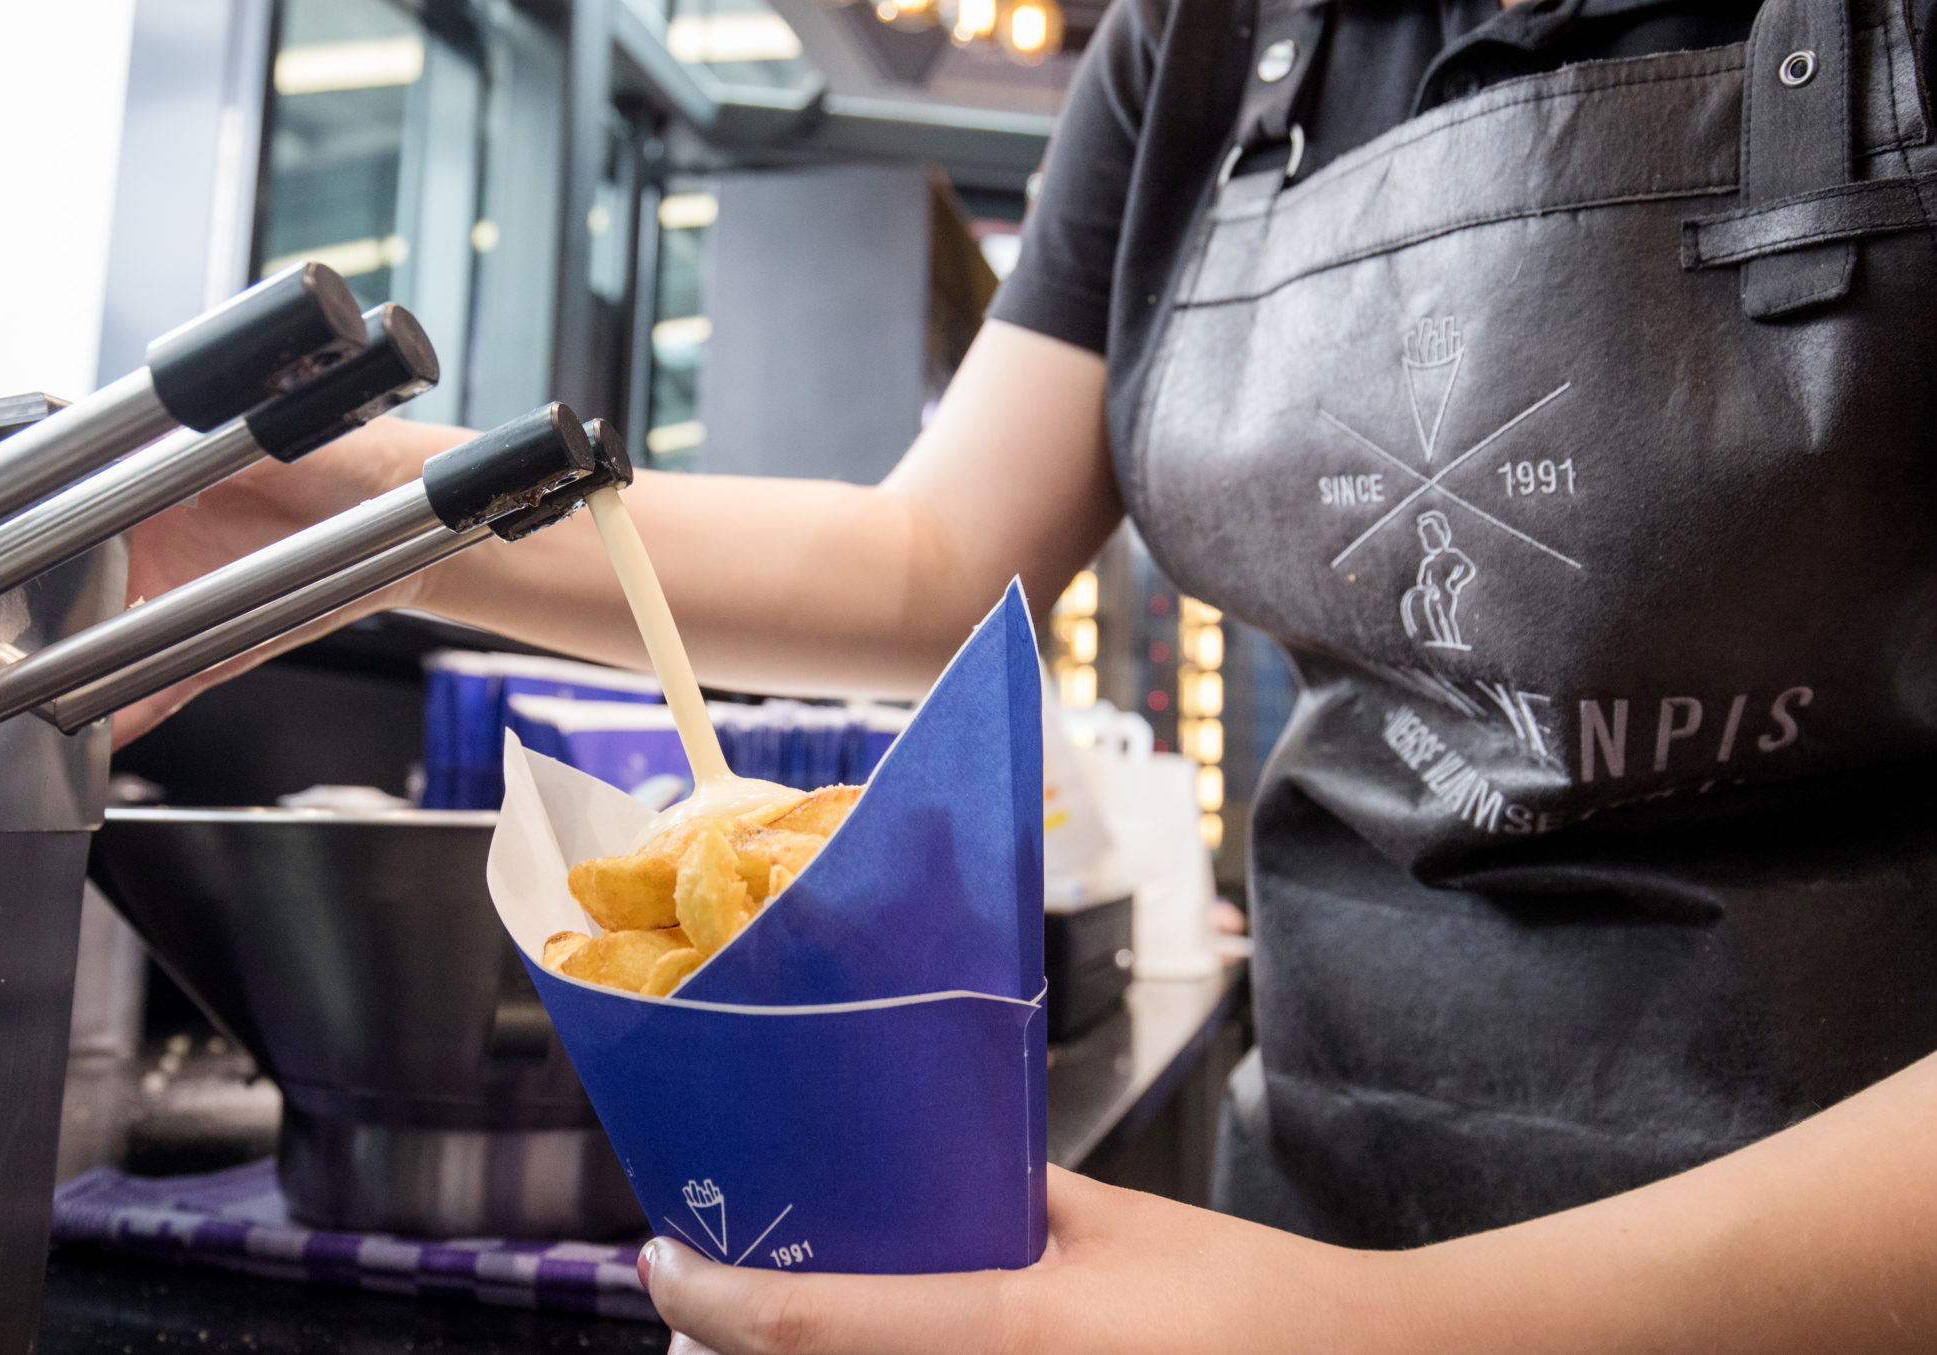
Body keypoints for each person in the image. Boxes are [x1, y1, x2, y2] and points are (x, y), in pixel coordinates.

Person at [123, 0, 1937, 1347]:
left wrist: (1390, 1335)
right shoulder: (1206, 43)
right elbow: (927, 563)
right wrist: (322, 506)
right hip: (1319, 1194)